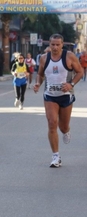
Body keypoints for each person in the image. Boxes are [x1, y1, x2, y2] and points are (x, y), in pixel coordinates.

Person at [33, 34, 83, 168]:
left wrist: (71, 84)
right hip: (50, 95)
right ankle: (56, 156)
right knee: (51, 123)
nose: (55, 47)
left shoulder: (69, 56)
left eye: (57, 44)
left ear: (62, 45)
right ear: (49, 45)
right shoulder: (44, 58)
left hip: (66, 96)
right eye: (52, 44)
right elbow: (40, 74)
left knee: (63, 126)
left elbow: (80, 72)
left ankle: (66, 131)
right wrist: (38, 83)